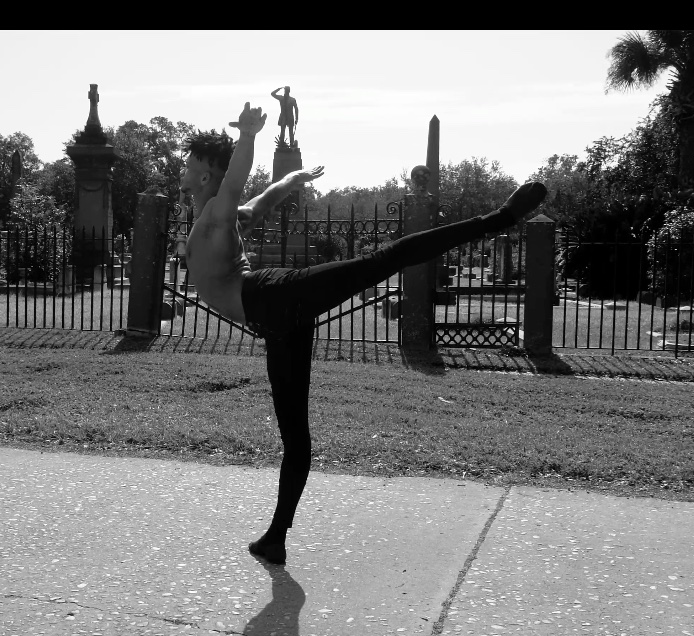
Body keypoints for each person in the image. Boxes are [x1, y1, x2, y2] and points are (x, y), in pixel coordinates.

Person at [179, 101, 547, 565]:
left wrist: (249, 136)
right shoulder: (217, 216)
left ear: (207, 173)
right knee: (295, 434)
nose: (183, 166)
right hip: (275, 321)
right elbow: (263, 199)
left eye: (190, 161)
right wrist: (292, 180)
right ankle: (276, 537)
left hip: (274, 295)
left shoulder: (216, 209)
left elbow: (236, 183)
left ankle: (498, 219)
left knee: (382, 260)